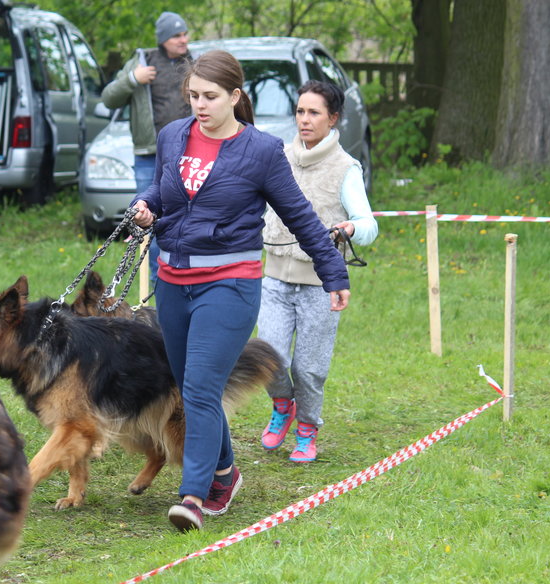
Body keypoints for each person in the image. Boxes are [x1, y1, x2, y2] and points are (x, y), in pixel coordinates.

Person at [130, 51, 351, 532]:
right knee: (194, 390)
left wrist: (333, 273)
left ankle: (193, 497)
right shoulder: (173, 136)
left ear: (234, 96)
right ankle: (226, 474)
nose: (199, 105)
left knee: (199, 389)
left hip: (229, 284)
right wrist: (143, 205)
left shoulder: (261, 151)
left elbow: (301, 217)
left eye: (210, 97)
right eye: (193, 96)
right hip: (173, 283)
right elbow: (160, 193)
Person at [258, 80, 379, 463]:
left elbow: (369, 224)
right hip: (274, 279)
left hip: (319, 286)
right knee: (269, 357)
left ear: (333, 118)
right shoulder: (276, 157)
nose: (305, 120)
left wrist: (351, 228)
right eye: (300, 111)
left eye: (314, 112)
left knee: (309, 369)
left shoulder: (346, 168)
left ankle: (307, 428)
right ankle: (283, 405)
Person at [101, 11, 192, 283]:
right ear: (163, 39)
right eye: (176, 35)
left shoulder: (195, 62)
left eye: (185, 34)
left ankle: (185, 275)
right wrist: (133, 79)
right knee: (148, 216)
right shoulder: (142, 62)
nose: (183, 40)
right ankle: (156, 280)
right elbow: (108, 99)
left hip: (189, 154)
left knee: (186, 217)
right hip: (149, 156)